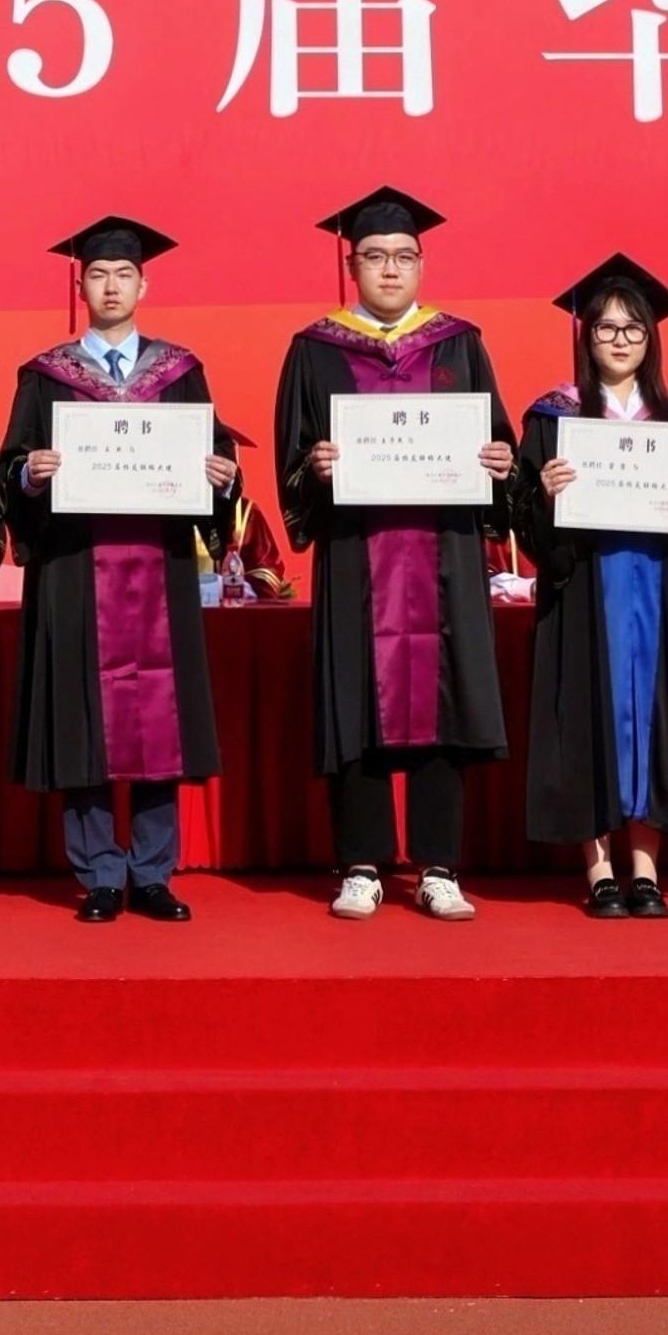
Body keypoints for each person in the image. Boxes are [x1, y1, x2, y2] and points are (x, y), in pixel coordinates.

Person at [270, 185, 511, 924]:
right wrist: (313, 467)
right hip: (356, 555)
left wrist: (500, 463)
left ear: (422, 264)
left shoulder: (458, 342)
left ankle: (439, 866)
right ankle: (362, 864)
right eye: (374, 256)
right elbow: (291, 458)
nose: (390, 268)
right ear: (352, 266)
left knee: (446, 698)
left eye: (404, 256)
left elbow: (497, 444)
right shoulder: (316, 348)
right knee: (356, 699)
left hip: (445, 555)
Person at [1, 215, 231, 925]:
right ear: (82, 286)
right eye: (98, 274)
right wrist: (31, 474)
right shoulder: (45, 376)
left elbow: (216, 459)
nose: (110, 285)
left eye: (123, 274)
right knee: (84, 717)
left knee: (162, 716)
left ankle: (153, 873)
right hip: (76, 569)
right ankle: (100, 872)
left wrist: (222, 477)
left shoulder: (181, 373)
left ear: (143, 284)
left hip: (161, 565)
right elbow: (11, 466)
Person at [508, 255, 668, 921]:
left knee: (654, 722)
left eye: (634, 328)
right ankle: (600, 870)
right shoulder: (553, 417)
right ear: (587, 336)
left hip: (657, 589)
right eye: (606, 327)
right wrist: (543, 495)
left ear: (651, 337)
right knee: (589, 718)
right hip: (584, 591)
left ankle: (646, 871)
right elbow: (524, 522)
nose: (621, 339)